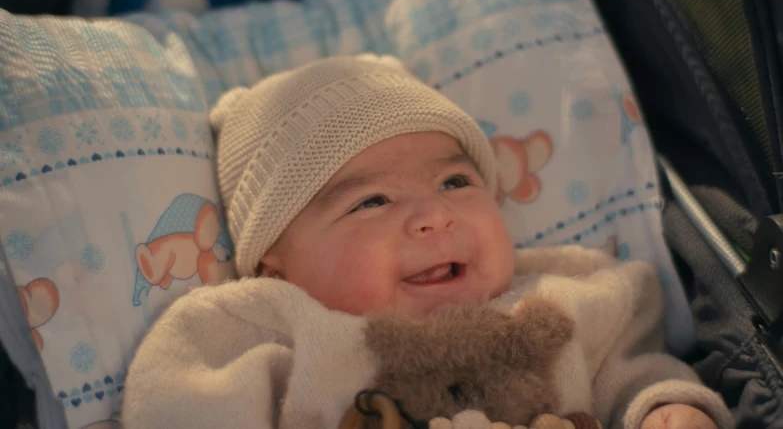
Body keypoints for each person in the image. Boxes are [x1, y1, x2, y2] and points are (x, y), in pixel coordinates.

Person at [122, 55, 732, 429]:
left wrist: (661, 407)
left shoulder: (563, 293)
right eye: (372, 201)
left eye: (456, 181)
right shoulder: (263, 327)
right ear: (272, 268)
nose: (435, 216)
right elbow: (180, 405)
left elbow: (629, 370)